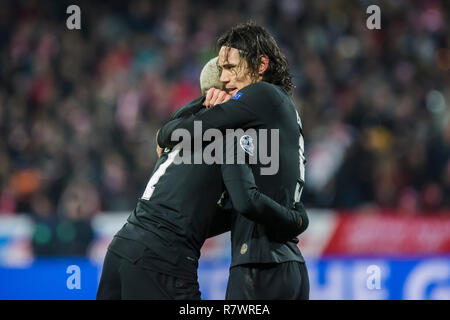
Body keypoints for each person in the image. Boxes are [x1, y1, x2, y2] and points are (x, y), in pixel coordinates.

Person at [96, 55, 308, 299]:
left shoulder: (186, 126)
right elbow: (246, 201)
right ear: (227, 92)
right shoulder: (228, 132)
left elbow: (203, 211)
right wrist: (295, 218)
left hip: (122, 246)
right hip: (164, 259)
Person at [157, 21, 309, 299]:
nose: (224, 79)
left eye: (230, 68)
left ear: (261, 64)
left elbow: (179, 132)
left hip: (259, 269)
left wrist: (194, 108)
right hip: (288, 267)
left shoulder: (261, 94)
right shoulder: (278, 108)